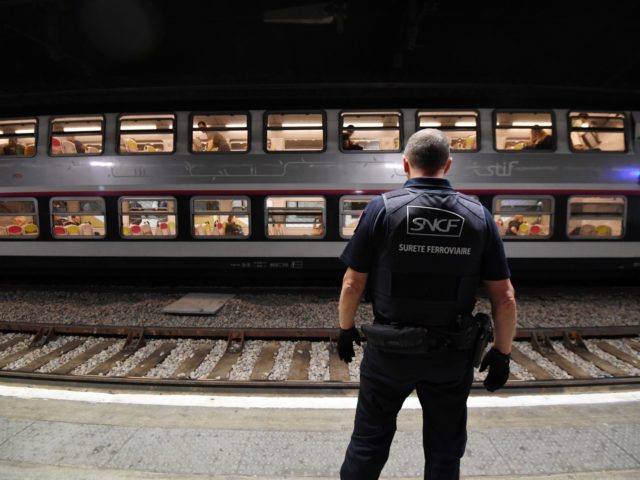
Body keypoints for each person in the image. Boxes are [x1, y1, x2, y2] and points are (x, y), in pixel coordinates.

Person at [337, 128, 517, 480]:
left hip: (389, 353)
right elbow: (505, 297)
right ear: (447, 165)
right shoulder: (478, 216)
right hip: (449, 357)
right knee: (445, 448)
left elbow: (352, 283)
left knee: (369, 441)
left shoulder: (382, 209)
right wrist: (502, 353)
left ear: (405, 164)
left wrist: (345, 330)